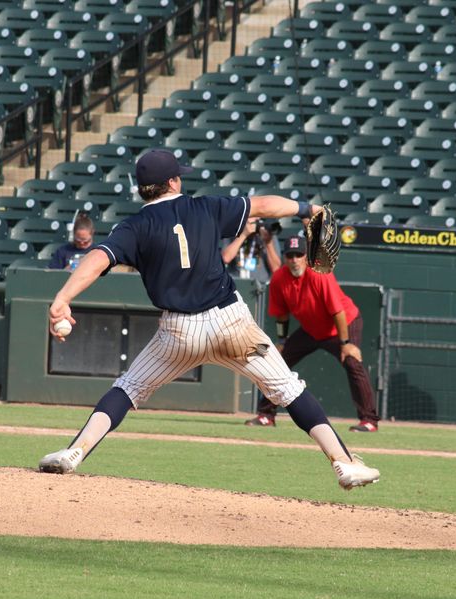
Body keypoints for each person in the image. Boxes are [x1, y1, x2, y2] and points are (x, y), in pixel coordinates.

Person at [37, 149, 380, 489]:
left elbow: (98, 257)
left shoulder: (135, 226)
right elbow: (261, 205)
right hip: (232, 323)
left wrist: (63, 298)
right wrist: (308, 209)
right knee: (288, 390)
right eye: (178, 175)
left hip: (178, 332)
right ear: (172, 181)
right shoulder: (205, 206)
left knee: (127, 389)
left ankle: (75, 451)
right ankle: (343, 463)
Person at [244, 235, 380, 432]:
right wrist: (282, 340)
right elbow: (281, 315)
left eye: (299, 255)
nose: (294, 260)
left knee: (352, 361)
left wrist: (346, 343)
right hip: (311, 330)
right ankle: (266, 415)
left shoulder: (319, 273)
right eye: (290, 255)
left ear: (306, 257)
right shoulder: (279, 279)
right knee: (276, 361)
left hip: (342, 324)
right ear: (285, 258)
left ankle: (369, 420)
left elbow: (338, 311)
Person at [221, 216, 281, 282]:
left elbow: (276, 269)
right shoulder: (232, 231)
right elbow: (225, 258)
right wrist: (243, 234)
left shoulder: (268, 234)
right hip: (236, 285)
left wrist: (268, 243)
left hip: (260, 286)